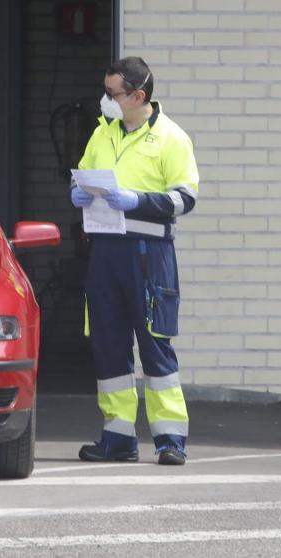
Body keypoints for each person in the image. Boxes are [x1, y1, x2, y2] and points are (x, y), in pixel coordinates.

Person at [70, 57, 199, 466]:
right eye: (106, 92)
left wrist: (137, 202)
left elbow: (185, 198)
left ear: (138, 95)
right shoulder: (101, 135)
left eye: (114, 93)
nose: (106, 100)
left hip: (148, 254)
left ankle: (170, 439)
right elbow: (85, 176)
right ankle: (117, 436)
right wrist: (77, 192)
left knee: (155, 345)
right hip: (105, 251)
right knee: (109, 346)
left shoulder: (171, 138)